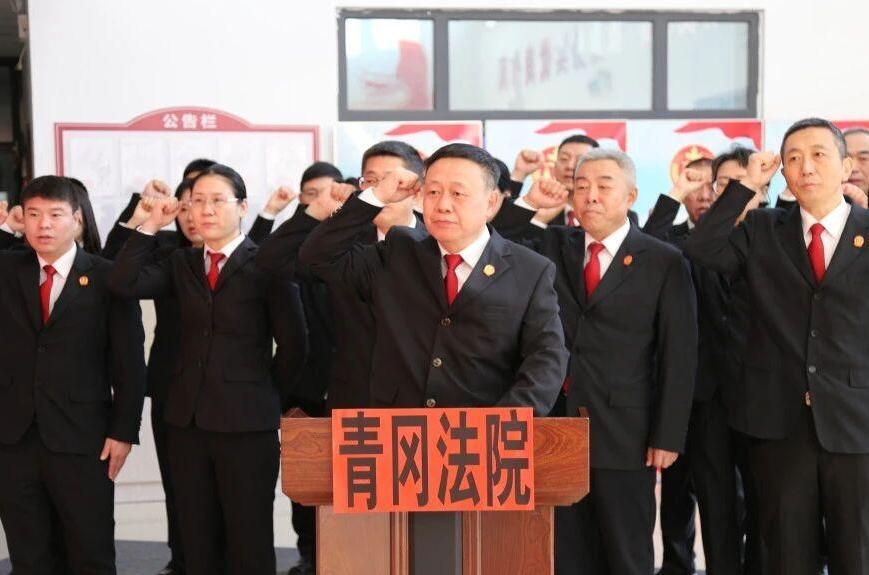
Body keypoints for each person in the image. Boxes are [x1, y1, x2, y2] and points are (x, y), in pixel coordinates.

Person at [684, 118, 869, 575]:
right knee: (785, 553)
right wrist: (747, 185)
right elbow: (702, 248)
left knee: (858, 551)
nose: (806, 166)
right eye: (793, 158)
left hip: (856, 420)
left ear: (846, 166)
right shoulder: (763, 229)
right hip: (779, 422)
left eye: (819, 154)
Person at [503, 148, 697, 575]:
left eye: (604, 186)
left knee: (626, 551)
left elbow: (678, 353)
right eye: (581, 186)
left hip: (627, 430)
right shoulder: (551, 244)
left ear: (631, 196)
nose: (590, 195)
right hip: (556, 426)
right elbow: (495, 241)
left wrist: (667, 434)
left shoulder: (662, 259)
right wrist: (531, 204)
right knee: (565, 553)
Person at [109, 164, 308, 575]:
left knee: (248, 536)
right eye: (196, 201)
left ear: (242, 207)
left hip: (247, 424)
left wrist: (265, 393)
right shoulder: (180, 262)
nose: (205, 210)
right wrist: (150, 226)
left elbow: (295, 345)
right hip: (187, 421)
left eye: (218, 200)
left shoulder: (266, 263)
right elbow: (123, 283)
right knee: (196, 535)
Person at [0, 175, 146, 574]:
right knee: (29, 555)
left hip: (84, 437)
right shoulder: (8, 268)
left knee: (89, 551)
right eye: (33, 214)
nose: (43, 225)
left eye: (55, 214)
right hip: (14, 438)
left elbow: (130, 365)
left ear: (77, 219)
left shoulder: (107, 277)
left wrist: (123, 431)